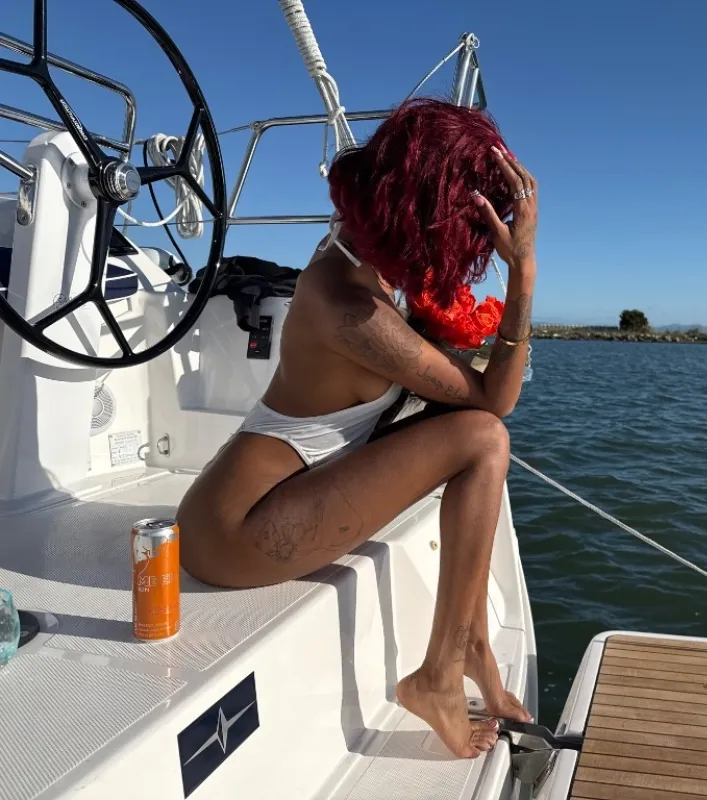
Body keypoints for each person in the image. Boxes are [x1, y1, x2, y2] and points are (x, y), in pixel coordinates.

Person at [176, 99, 538, 759]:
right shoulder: (350, 305)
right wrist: (523, 271)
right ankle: (436, 678)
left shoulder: (360, 256)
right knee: (483, 436)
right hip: (231, 534)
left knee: (466, 425)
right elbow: (497, 399)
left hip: (263, 501)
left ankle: (474, 650)